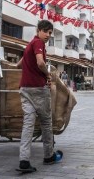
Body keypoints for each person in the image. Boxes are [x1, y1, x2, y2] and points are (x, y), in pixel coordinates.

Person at [16, 20, 62, 173]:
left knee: (28, 125)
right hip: (38, 89)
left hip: (24, 89)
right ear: (40, 30)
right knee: (46, 122)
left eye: (50, 33)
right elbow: (41, 63)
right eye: (47, 32)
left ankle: (24, 160)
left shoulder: (29, 45)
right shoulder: (39, 44)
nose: (48, 35)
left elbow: (19, 64)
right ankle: (48, 156)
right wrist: (48, 75)